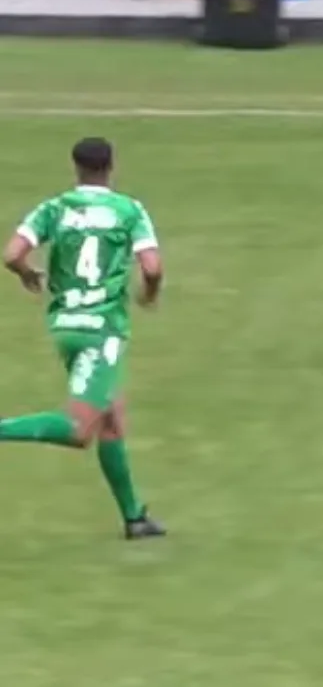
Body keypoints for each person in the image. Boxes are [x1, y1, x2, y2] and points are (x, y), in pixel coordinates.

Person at [0, 137, 166, 540]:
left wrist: (27, 273)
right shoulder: (128, 210)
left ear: (76, 168)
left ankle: (134, 518)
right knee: (79, 429)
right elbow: (153, 266)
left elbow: (11, 253)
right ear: (112, 166)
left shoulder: (55, 208)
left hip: (66, 326)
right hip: (101, 331)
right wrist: (148, 295)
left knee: (111, 421)